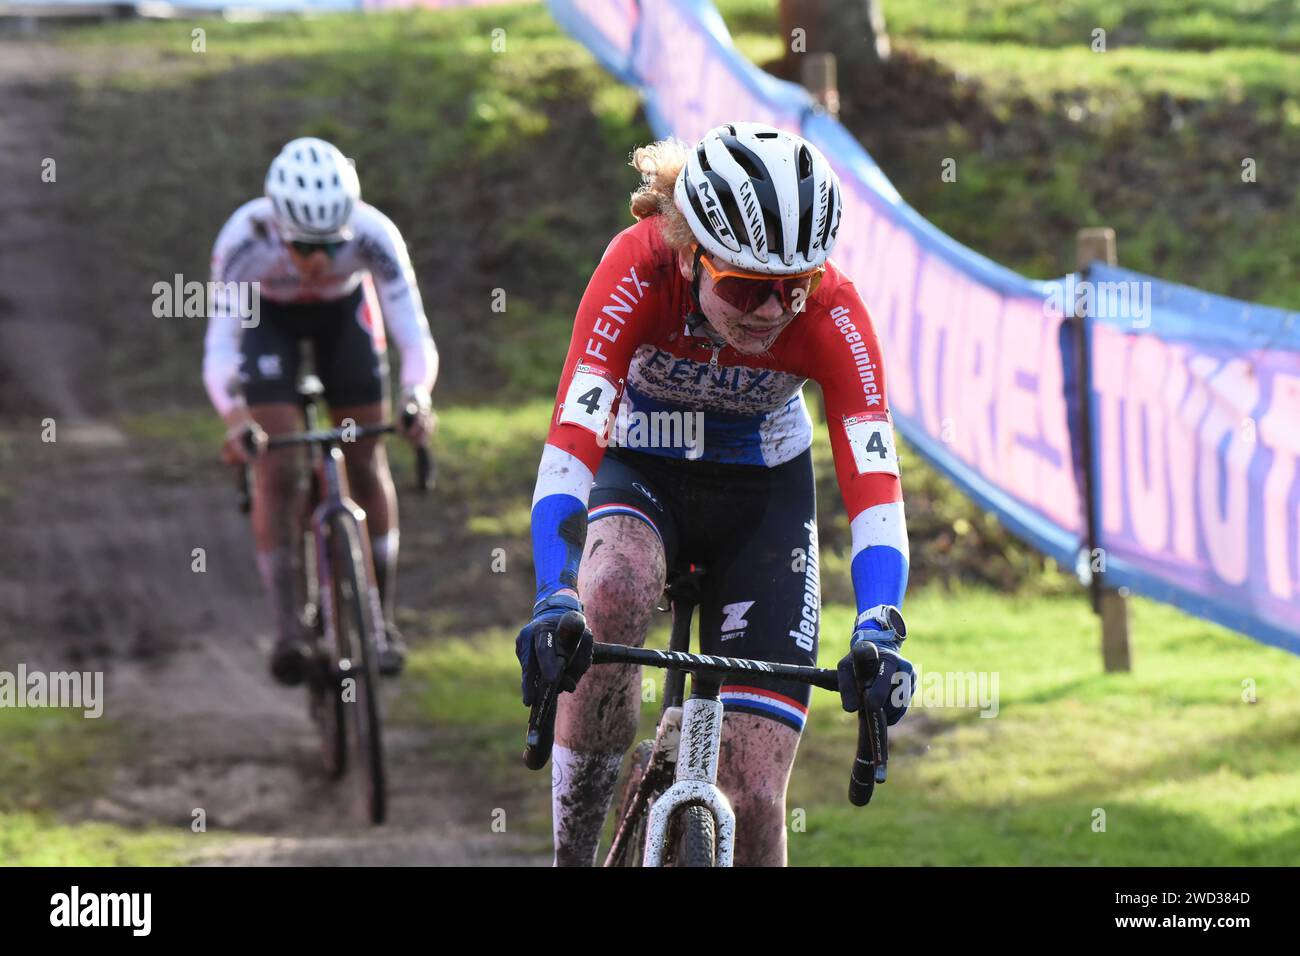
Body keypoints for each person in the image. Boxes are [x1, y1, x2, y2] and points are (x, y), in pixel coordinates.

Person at [516, 122, 915, 866]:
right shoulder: (637, 267)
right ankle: (572, 853)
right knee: (611, 594)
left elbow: (876, 491)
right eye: (744, 287)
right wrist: (552, 595)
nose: (770, 311)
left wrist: (881, 626)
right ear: (690, 252)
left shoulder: (834, 312)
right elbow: (572, 446)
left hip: (763, 495)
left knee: (758, 795)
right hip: (641, 470)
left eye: (791, 288)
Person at [202, 137, 437, 685]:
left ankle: (379, 621)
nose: (318, 260)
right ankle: (287, 629)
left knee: (365, 459)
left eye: (332, 246)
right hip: (269, 324)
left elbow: (414, 335)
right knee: (276, 464)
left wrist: (415, 395)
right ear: (278, 226)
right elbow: (220, 347)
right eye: (305, 246)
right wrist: (236, 417)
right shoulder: (245, 238)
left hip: (344, 320)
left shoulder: (375, 234)